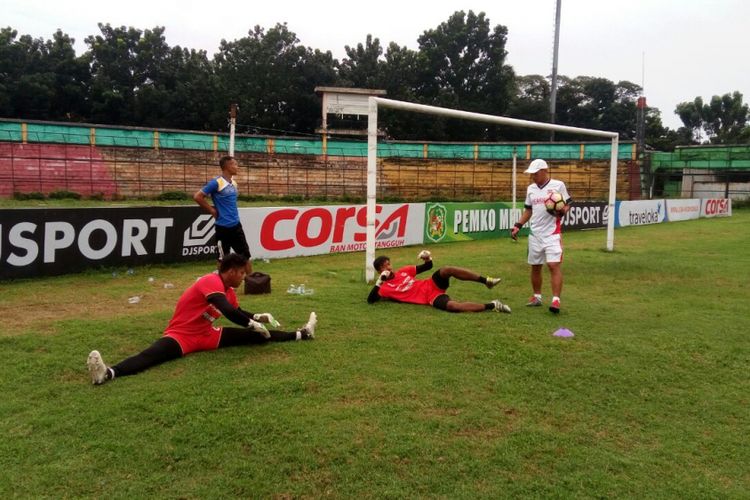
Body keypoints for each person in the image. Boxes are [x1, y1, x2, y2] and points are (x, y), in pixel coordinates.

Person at [86, 253, 316, 385]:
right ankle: (107, 373)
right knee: (151, 356)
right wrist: (250, 322)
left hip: (206, 336)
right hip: (182, 335)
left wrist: (256, 317)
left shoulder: (229, 290)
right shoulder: (211, 281)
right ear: (232, 271)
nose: (245, 277)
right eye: (243, 273)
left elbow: (237, 310)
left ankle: (302, 334)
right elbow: (226, 310)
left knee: (256, 336)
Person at [510, 158, 571, 314]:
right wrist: (518, 225)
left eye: (535, 173)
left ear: (544, 171)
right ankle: (537, 297)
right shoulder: (531, 189)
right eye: (532, 174)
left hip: (552, 233)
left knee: (553, 265)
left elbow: (567, 204)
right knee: (535, 266)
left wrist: (561, 210)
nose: (533, 177)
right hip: (535, 234)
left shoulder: (558, 185)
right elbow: (528, 210)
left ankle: (556, 300)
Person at [367, 249, 511, 313]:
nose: (388, 267)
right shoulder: (385, 288)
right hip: (430, 297)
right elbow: (370, 300)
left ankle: (487, 281)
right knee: (453, 307)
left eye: (388, 264)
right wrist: (380, 281)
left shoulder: (403, 271)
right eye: (384, 266)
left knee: (447, 269)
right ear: (379, 271)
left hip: (431, 283)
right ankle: (493, 305)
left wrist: (427, 257)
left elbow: (428, 266)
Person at [193, 155, 252, 272]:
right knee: (222, 259)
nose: (237, 167)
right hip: (222, 228)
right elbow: (197, 196)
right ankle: (221, 286)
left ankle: (252, 283)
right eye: (235, 164)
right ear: (227, 166)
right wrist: (212, 210)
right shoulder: (216, 182)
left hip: (236, 226)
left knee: (245, 256)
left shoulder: (234, 183)